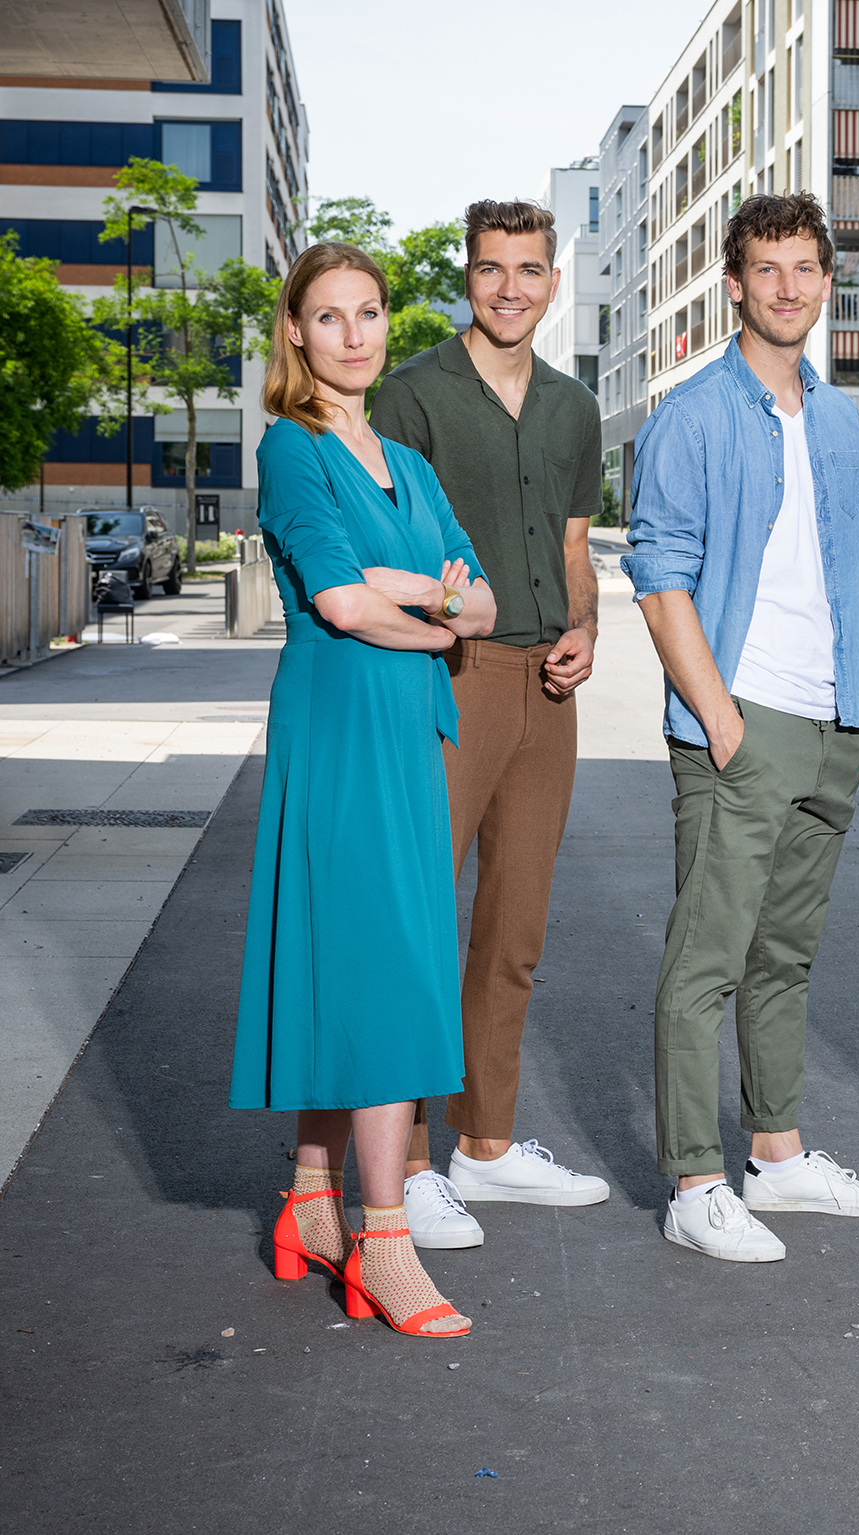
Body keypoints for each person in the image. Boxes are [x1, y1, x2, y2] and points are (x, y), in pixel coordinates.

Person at [623, 191, 859, 1264]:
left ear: (827, 282)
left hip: (828, 722)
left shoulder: (834, 418)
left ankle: (776, 1156)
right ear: (733, 284)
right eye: (766, 269)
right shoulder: (690, 416)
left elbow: (842, 575)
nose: (788, 287)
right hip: (741, 721)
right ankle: (696, 1178)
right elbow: (658, 578)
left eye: (805, 268)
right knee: (709, 956)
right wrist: (719, 717)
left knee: (784, 953)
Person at [231, 241, 500, 1337]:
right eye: (329, 315)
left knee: (365, 958)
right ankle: (381, 1237)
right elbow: (340, 605)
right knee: (387, 971)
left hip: (402, 729)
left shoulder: (411, 463)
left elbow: (481, 604)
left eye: (370, 312)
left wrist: (424, 597)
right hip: (340, 729)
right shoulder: (291, 449)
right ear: (295, 331)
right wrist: (417, 599)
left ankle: (309, 1199)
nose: (353, 332)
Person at [372, 198, 610, 1247]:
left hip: (544, 687)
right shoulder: (414, 394)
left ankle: (488, 1143)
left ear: (554, 280)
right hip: (450, 674)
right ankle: (409, 1163)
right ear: (467, 277)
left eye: (529, 269)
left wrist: (588, 625)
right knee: (421, 918)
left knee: (513, 929)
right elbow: (374, 545)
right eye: (490, 268)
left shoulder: (572, 405)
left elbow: (572, 543)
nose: (510, 287)